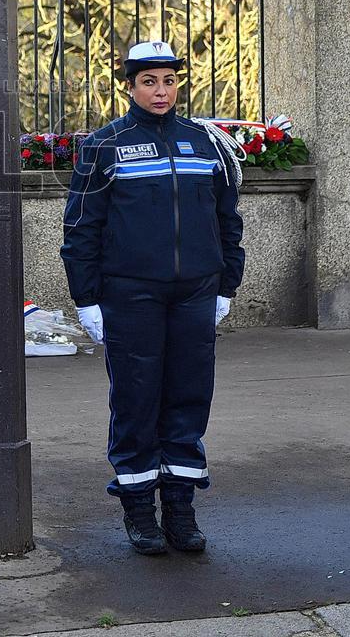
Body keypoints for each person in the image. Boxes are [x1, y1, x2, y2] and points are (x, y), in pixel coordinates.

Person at [60, 40, 244, 555]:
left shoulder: (205, 142)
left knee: (188, 399)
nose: (160, 91)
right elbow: (80, 228)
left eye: (168, 80)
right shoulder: (105, 145)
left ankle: (180, 510)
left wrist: (227, 284)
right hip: (130, 295)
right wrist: (87, 299)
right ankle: (140, 511)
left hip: (196, 294)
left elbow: (228, 220)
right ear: (129, 85)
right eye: (149, 81)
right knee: (137, 401)